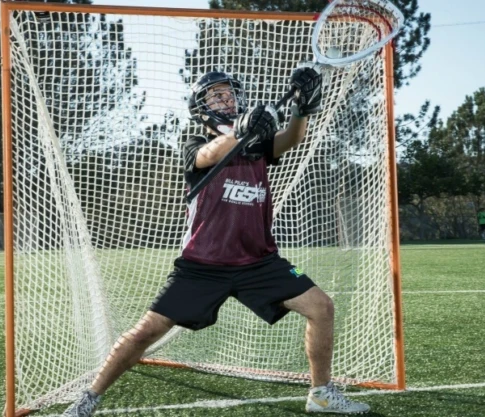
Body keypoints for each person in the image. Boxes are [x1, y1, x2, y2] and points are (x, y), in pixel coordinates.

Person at [63, 67, 370, 416]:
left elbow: (292, 138)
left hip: (260, 262)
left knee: (321, 307)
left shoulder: (258, 146)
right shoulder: (194, 145)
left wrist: (302, 108)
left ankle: (321, 394)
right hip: (202, 266)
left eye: (230, 93)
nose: (227, 99)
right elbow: (211, 154)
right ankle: (89, 397)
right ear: (201, 109)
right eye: (216, 95)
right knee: (145, 333)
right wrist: (243, 130)